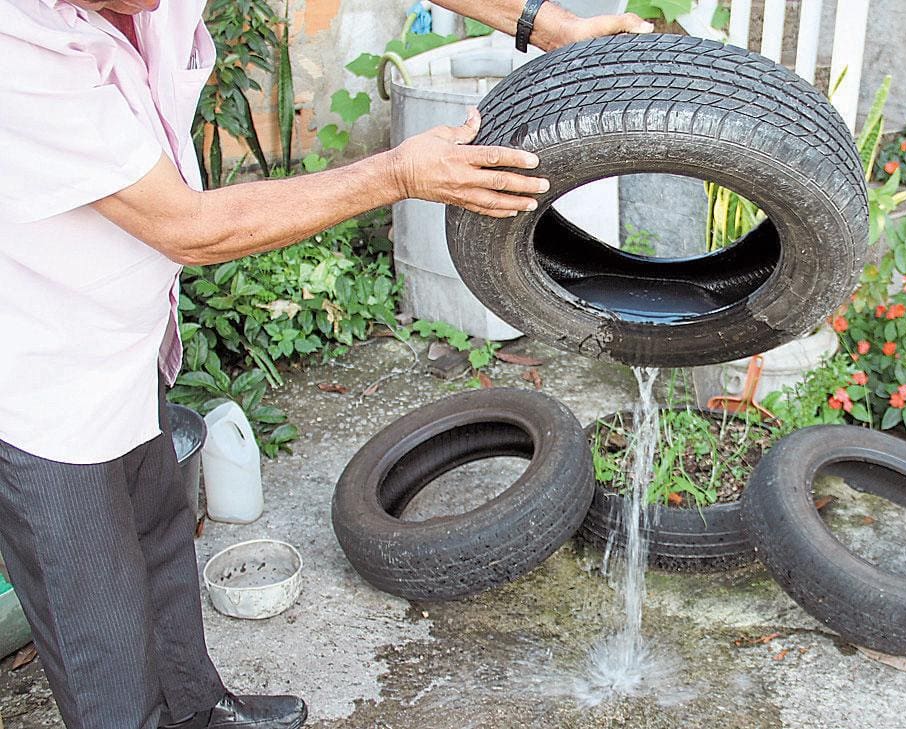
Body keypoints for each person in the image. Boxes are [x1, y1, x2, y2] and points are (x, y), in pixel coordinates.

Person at [0, 1, 651, 727]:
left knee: (157, 542)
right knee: (101, 630)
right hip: (41, 379)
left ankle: (195, 707)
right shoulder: (15, 51)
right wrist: (399, 174)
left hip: (131, 339)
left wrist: (545, 24)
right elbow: (187, 226)